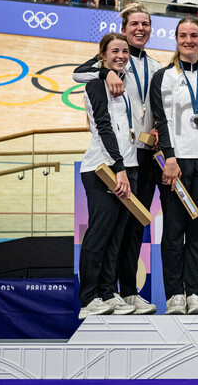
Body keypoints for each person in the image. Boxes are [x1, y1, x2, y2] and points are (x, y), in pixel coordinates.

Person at [71, 4, 160, 316]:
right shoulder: (100, 77)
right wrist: (105, 70)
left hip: (139, 158)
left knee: (125, 232)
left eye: (145, 24)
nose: (139, 29)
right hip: (110, 164)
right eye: (133, 23)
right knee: (102, 231)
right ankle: (92, 297)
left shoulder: (155, 65)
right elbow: (77, 75)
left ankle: (116, 293)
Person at [151, 18, 198, 315]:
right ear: (176, 39)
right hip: (174, 164)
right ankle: (173, 296)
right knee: (173, 231)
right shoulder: (164, 77)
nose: (189, 40)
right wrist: (169, 156)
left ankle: (193, 294)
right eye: (183, 35)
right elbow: (160, 119)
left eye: (194, 35)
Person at [77, 32, 139, 319]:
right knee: (99, 236)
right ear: (102, 55)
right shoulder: (96, 83)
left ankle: (106, 292)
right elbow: (104, 128)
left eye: (125, 51)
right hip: (102, 169)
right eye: (114, 51)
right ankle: (89, 298)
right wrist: (119, 168)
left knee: (115, 237)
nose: (121, 56)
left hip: (124, 166)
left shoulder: (123, 81)